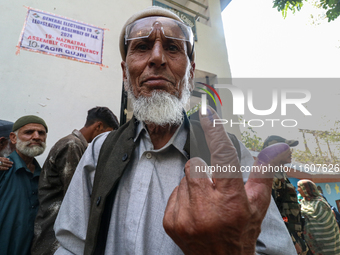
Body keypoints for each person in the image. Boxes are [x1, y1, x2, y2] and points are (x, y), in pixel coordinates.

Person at [54, 6, 295, 255]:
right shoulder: (100, 149)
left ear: (190, 74)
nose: (157, 58)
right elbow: (71, 247)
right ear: (126, 71)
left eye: (172, 47)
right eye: (142, 46)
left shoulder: (230, 153)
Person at [31, 107, 119, 255]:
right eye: (109, 134)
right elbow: (77, 196)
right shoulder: (73, 144)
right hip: (54, 228)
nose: (108, 140)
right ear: (98, 126)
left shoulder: (77, 144)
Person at [0, 115, 48, 255]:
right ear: (13, 138)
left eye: (41, 133)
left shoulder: (44, 176)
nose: (36, 137)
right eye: (28, 132)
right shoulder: (4, 168)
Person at [262, 135, 308, 255]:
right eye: (285, 149)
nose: (290, 152)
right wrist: (292, 242)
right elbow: (274, 214)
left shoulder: (280, 173)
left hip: (295, 236)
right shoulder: (268, 175)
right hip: (286, 241)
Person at [298, 180, 340, 254]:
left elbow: (327, 224)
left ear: (307, 189)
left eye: (299, 187)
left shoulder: (320, 203)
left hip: (327, 242)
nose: (298, 189)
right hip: (313, 243)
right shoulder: (303, 203)